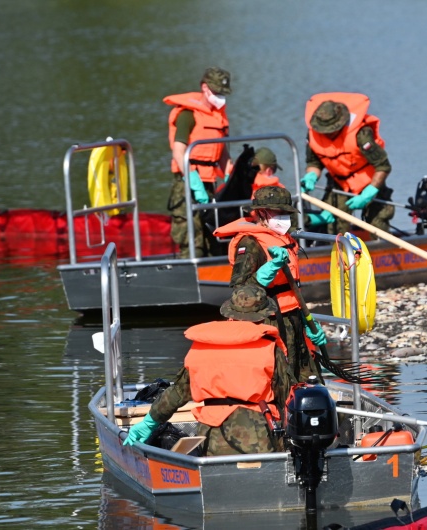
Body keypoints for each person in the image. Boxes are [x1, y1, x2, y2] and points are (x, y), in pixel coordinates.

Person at [123, 285, 296, 455]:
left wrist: (150, 421)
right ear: (264, 316)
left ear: (230, 313)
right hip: (257, 438)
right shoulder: (271, 349)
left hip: (210, 437)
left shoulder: (201, 347)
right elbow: (287, 397)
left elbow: (177, 393)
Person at [213, 185, 326, 382]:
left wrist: (308, 322)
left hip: (293, 318)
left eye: (286, 213)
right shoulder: (249, 244)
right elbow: (240, 292)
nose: (284, 218)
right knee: (278, 379)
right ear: (262, 213)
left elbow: (291, 290)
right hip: (267, 321)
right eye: (278, 212)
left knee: (310, 378)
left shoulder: (282, 238)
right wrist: (266, 272)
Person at [301, 92, 395, 236]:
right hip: (339, 183)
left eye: (330, 130)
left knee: (378, 224)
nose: (326, 134)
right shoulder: (314, 135)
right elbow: (314, 162)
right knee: (334, 225)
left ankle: (380, 253)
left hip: (369, 182)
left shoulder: (361, 135)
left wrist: (368, 194)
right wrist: (311, 175)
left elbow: (383, 166)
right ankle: (337, 255)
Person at [163, 66, 233, 258]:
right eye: (217, 92)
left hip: (210, 184)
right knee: (191, 236)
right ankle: (189, 276)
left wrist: (230, 175)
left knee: (214, 235)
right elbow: (179, 150)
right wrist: (192, 180)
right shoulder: (187, 115)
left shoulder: (219, 117)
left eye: (223, 93)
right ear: (205, 87)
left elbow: (223, 152)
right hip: (187, 183)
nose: (220, 97)